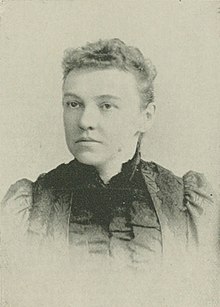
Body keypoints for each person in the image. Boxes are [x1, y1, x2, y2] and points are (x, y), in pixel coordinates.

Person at [1, 39, 219, 273]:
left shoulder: (185, 204)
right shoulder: (30, 205)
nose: (85, 122)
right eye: (74, 104)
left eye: (106, 106)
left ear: (145, 117)